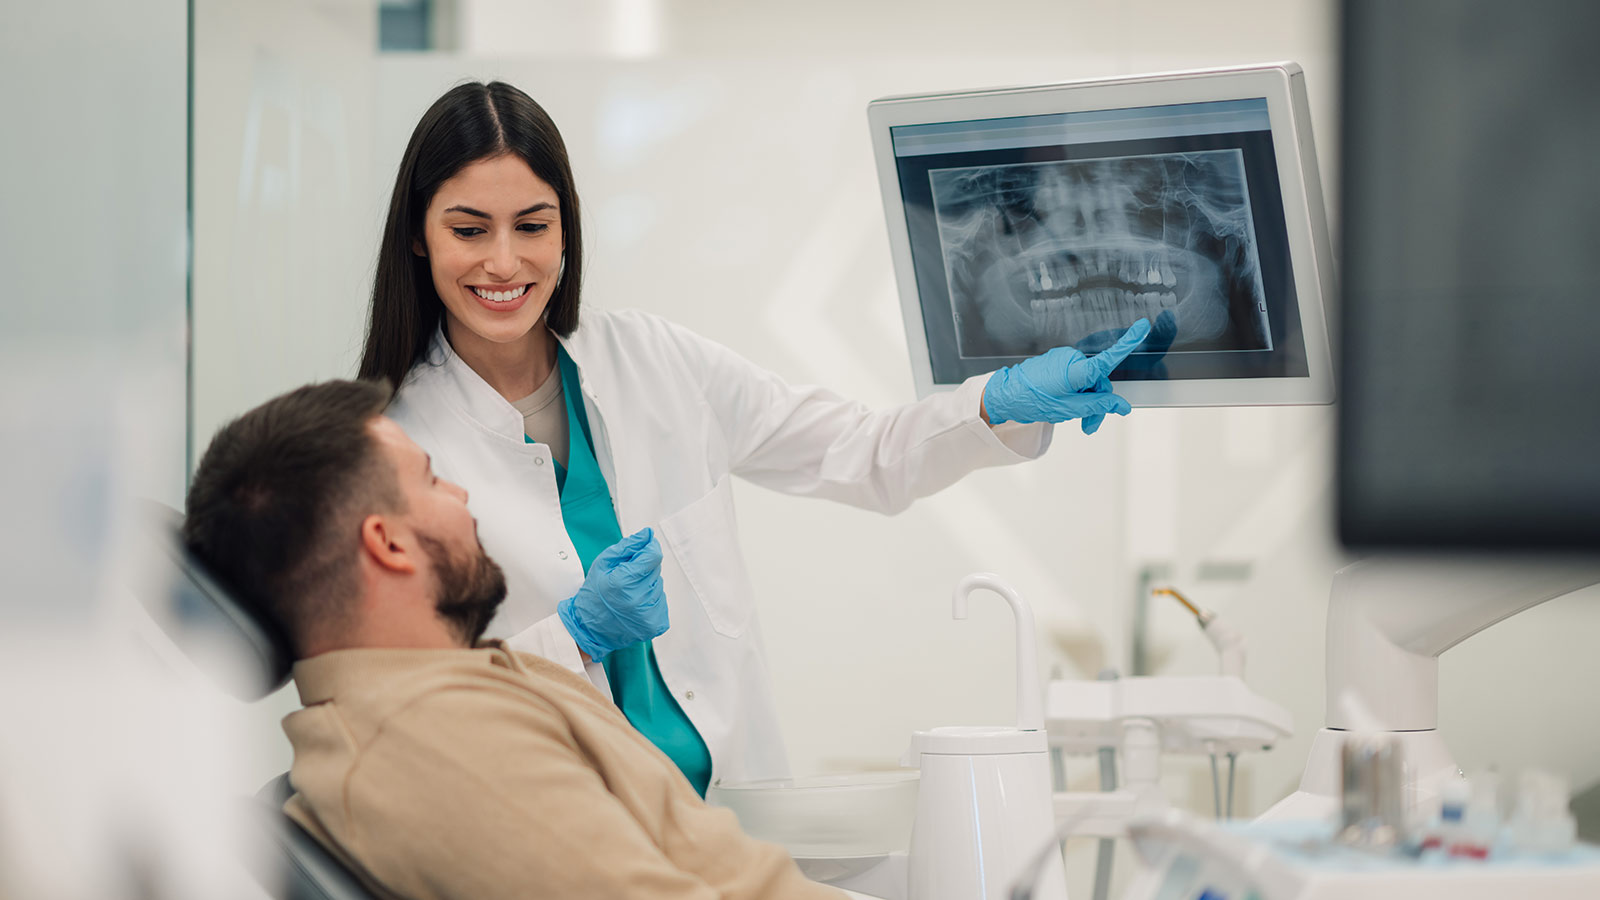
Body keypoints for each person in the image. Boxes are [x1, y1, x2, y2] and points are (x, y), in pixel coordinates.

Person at [358, 81, 1151, 793]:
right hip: (568, 846)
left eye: (532, 225)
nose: (504, 261)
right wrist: (571, 639)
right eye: (469, 230)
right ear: (420, 236)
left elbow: (861, 453)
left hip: (732, 821)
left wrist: (994, 405)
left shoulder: (652, 360)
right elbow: (415, 719)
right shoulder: (395, 449)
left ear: (566, 232)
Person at [182, 380, 844, 900]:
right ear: (386, 542)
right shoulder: (436, 741)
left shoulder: (460, 690)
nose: (462, 492)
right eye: (433, 479)